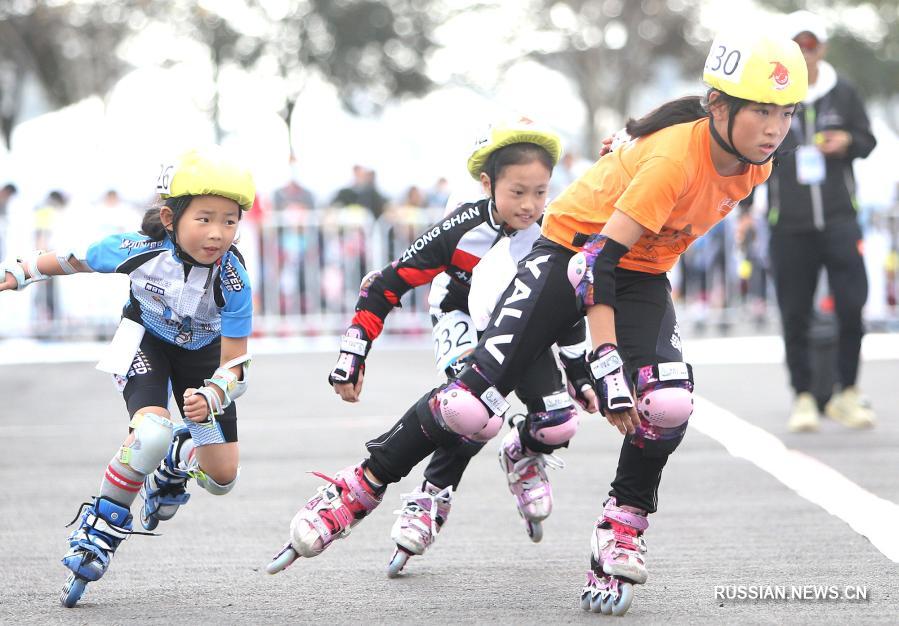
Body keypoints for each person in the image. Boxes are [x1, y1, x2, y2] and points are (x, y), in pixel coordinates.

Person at [269, 31, 806, 616]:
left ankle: (620, 527)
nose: (775, 126)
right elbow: (594, 264)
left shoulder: (758, 164)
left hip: (638, 275)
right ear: (719, 107)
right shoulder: (676, 159)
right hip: (569, 255)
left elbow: (630, 265)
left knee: (670, 404)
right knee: (468, 408)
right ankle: (356, 488)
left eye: (786, 111)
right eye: (761, 110)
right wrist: (605, 364)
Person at [274, 118, 595, 578]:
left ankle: (522, 451)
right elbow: (385, 285)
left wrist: (579, 370)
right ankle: (431, 492)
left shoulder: (552, 229)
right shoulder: (461, 226)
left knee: (560, 425)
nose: (529, 206)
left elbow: (565, 304)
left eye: (540, 192)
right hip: (459, 311)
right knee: (473, 412)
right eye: (517, 192)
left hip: (516, 322)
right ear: (487, 184)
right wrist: (354, 352)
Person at [0, 146, 256, 608]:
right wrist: (19, 272)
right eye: (204, 219)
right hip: (144, 342)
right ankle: (98, 529)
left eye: (229, 221)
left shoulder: (234, 278)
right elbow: (72, 259)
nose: (218, 233)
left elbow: (237, 364)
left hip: (203, 360)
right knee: (152, 431)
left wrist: (215, 394)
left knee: (221, 478)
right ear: (171, 217)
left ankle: (181, 455)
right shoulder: (138, 249)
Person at [767, 10, 878, 432]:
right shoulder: (773, 95)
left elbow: (868, 140)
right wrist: (742, 213)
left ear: (822, 48)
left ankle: (847, 391)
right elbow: (751, 155)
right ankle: (804, 396)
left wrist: (848, 141)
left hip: (838, 218)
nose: (805, 53)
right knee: (794, 311)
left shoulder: (843, 93)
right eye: (797, 45)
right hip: (788, 222)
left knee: (852, 305)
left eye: (811, 45)